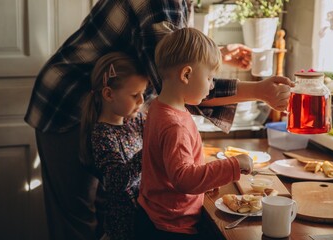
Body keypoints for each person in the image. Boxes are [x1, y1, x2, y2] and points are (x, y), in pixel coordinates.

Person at [24, 1, 293, 239]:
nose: (209, 82)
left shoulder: (155, 114)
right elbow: (173, 78)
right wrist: (259, 91)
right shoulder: (160, 3)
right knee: (77, 221)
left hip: (108, 108)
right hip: (67, 104)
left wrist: (215, 56)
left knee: (103, 213)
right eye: (209, 78)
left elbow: (168, 57)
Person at [135, 27, 254, 240]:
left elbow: (168, 166)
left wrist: (205, 181)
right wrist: (233, 165)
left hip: (153, 214)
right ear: (186, 74)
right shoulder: (175, 125)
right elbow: (184, 179)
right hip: (172, 226)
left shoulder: (158, 107)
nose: (211, 85)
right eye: (209, 77)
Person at [79, 52, 148, 240]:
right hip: (123, 226)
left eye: (143, 93)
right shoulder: (102, 135)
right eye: (135, 95)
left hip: (145, 216)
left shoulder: (136, 120)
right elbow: (117, 182)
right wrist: (148, 152)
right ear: (109, 94)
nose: (141, 101)